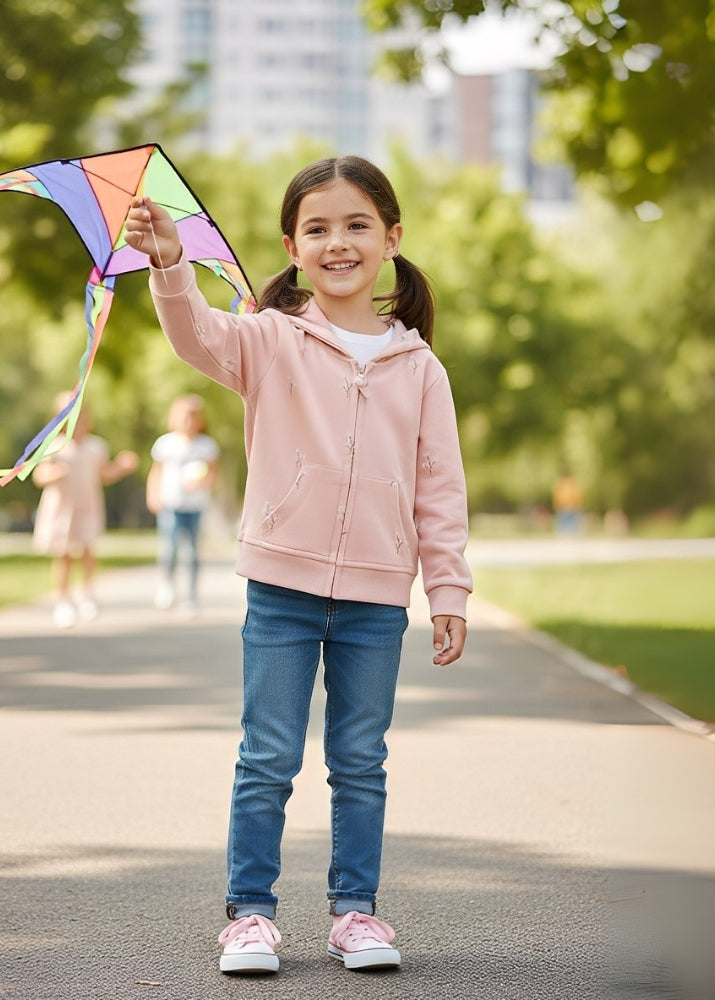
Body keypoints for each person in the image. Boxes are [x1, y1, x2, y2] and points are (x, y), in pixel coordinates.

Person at [126, 155, 471, 975]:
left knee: (360, 759)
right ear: (291, 246)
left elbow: (440, 488)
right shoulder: (267, 340)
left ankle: (356, 914)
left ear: (392, 238)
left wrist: (447, 586)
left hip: (377, 599)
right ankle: (249, 916)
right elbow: (194, 334)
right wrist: (170, 264)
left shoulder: (419, 367)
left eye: (356, 225)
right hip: (281, 586)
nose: (337, 241)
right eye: (317, 228)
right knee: (268, 756)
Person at [32, 394, 139, 627]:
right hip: (62, 508)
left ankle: (87, 594)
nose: (77, 421)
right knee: (64, 554)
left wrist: (121, 467)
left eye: (81, 416)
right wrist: (53, 474)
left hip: (88, 506)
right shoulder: (54, 447)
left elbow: (105, 474)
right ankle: (63, 600)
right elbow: (38, 476)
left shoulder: (96, 446)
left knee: (89, 549)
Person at [146, 394, 220, 612]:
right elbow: (156, 472)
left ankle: (191, 596)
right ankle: (167, 585)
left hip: (195, 507)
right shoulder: (165, 443)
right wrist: (153, 495)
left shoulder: (206, 445)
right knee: (169, 549)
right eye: (183, 416)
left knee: (193, 553)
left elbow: (214, 474)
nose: (188, 421)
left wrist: (202, 482)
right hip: (171, 505)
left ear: (200, 420)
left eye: (193, 416)